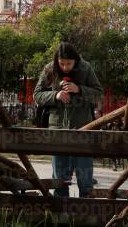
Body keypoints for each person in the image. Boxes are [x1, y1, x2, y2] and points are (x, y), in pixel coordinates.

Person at [33, 41, 103, 197]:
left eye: (69, 63)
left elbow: (99, 93)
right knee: (59, 180)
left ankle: (85, 216)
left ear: (75, 60)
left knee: (85, 179)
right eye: (62, 63)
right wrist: (55, 95)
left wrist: (80, 89)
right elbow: (36, 94)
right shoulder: (50, 69)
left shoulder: (86, 68)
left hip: (83, 130)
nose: (65, 67)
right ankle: (61, 217)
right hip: (57, 131)